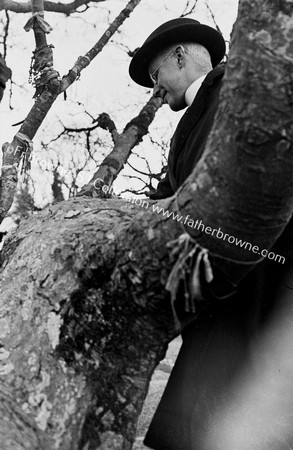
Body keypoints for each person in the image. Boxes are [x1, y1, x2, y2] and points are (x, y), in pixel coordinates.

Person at [129, 18, 293, 450]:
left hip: (262, 291)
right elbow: (165, 201)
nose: (155, 89)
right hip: (220, 304)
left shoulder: (237, 91)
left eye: (154, 75)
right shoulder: (185, 128)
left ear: (180, 55)